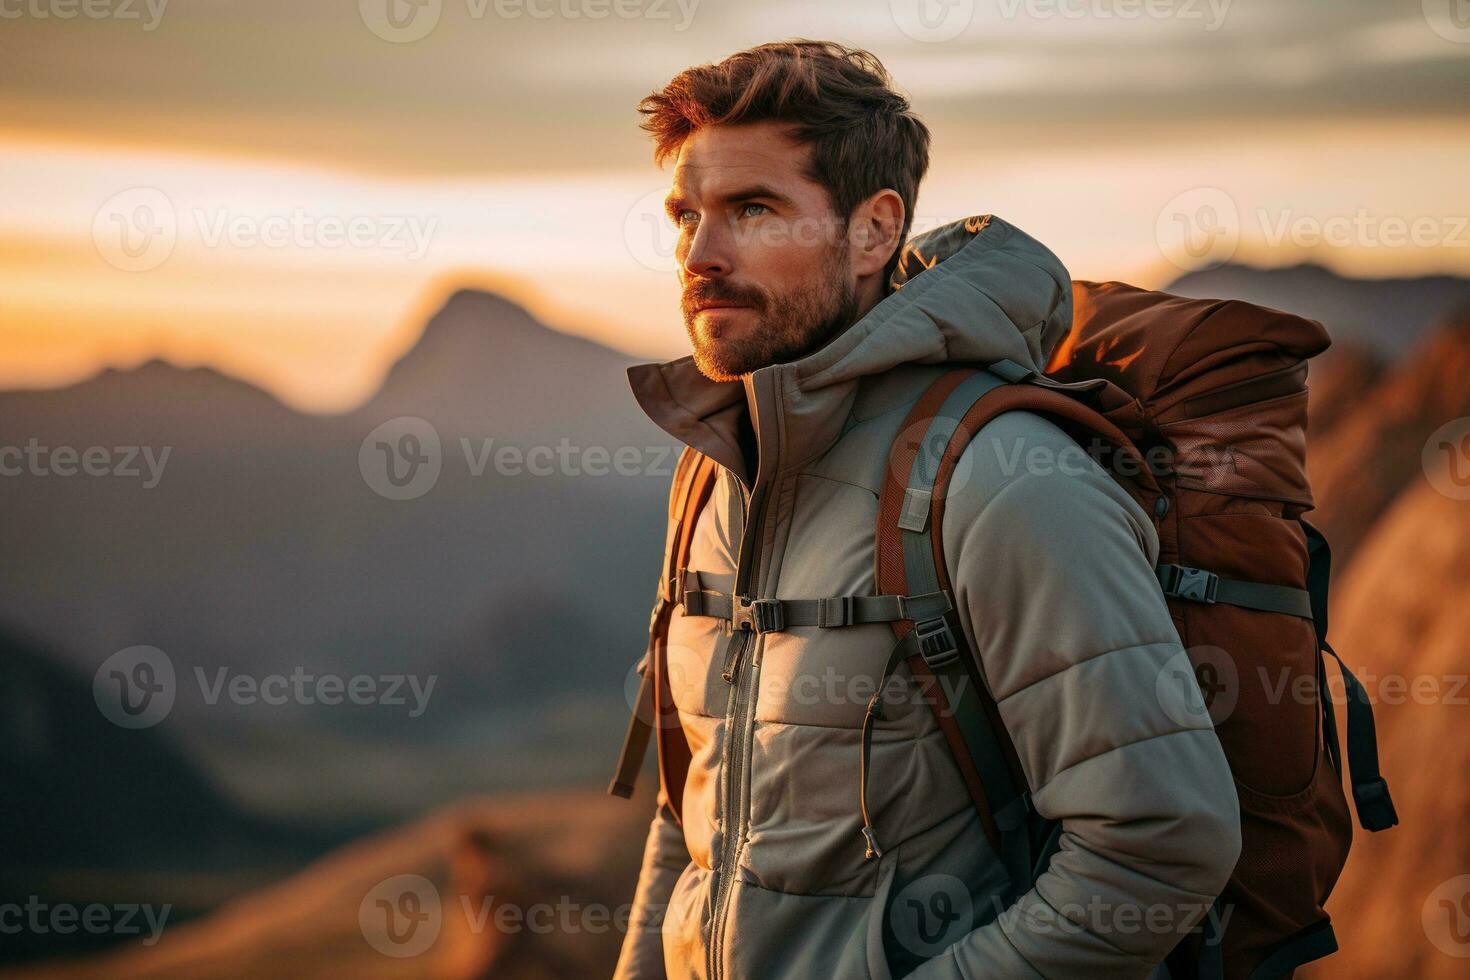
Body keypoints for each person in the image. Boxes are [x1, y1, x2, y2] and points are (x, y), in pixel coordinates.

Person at [614, 40, 1240, 980]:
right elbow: (693, 809)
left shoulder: (1002, 479)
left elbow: (1160, 844)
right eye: (685, 215)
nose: (700, 255)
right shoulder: (719, 469)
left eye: (753, 210)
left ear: (874, 232)